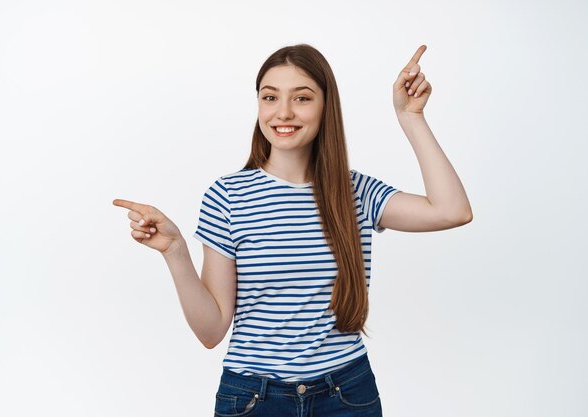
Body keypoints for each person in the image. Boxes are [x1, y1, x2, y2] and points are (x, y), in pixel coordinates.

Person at [113, 43, 472, 416]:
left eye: (302, 98)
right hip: (254, 398)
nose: (283, 112)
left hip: (346, 394)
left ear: (325, 107)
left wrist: (411, 118)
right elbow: (211, 331)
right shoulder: (227, 196)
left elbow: (453, 211)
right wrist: (175, 252)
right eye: (270, 97)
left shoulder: (356, 192)